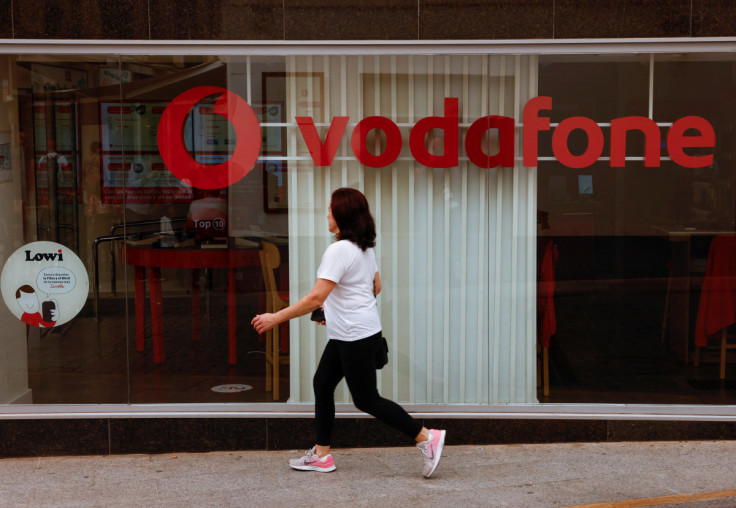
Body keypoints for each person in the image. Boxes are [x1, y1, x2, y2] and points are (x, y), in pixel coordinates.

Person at [251, 187, 446, 478]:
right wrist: (336, 312)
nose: (326, 213)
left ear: (341, 214)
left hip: (355, 335)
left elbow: (316, 297)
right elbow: (374, 287)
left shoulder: (339, 250)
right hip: (355, 332)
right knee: (322, 383)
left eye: (330, 209)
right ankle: (322, 455)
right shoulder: (363, 248)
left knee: (366, 399)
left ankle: (426, 438)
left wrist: (274, 318)